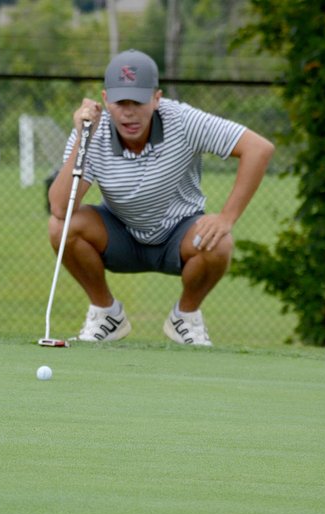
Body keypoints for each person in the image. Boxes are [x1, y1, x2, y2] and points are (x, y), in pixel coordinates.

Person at [48, 49, 275, 346]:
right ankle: (106, 314)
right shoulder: (93, 130)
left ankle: (186, 317)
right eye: (120, 102)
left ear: (156, 98)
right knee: (60, 227)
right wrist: (82, 139)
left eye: (138, 101)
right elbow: (61, 207)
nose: (129, 112)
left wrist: (227, 217)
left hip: (180, 235)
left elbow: (258, 148)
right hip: (120, 234)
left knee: (219, 242)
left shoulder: (181, 119)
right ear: (105, 100)